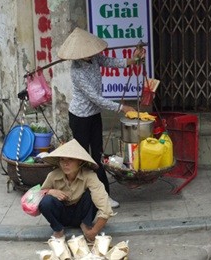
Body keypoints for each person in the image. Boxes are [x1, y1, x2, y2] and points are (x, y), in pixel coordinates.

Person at [57, 27, 146, 208]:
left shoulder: (95, 58)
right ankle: (80, 196)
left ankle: (103, 196)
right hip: (80, 117)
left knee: (97, 156)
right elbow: (96, 98)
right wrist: (122, 107)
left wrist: (135, 58)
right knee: (82, 158)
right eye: (87, 54)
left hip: (94, 115)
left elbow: (114, 62)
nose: (91, 55)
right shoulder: (77, 72)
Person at [39, 139, 115, 241]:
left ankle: (85, 224)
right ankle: (58, 229)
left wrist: (94, 231)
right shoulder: (53, 175)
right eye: (62, 159)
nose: (65, 164)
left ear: (79, 161)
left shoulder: (89, 176)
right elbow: (38, 195)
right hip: (62, 215)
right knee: (46, 201)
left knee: (91, 195)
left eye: (70, 159)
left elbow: (105, 208)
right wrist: (50, 191)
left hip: (81, 214)